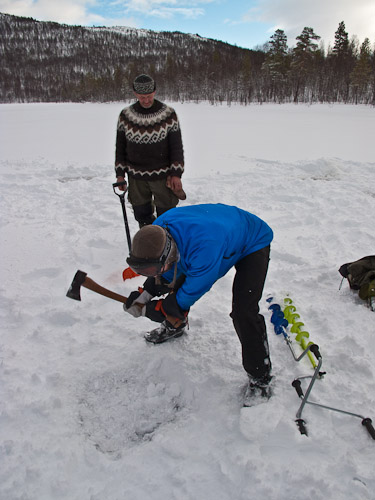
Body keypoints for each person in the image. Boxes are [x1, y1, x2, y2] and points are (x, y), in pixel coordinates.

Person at [123, 203, 274, 404]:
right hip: (216, 229)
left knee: (243, 312)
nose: (150, 274)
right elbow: (166, 273)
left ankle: (260, 378)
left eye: (151, 270)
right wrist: (145, 293)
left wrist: (162, 309)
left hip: (252, 239)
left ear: (168, 252)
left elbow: (186, 295)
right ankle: (174, 326)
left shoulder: (205, 250)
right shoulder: (157, 232)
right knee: (177, 279)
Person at [115, 74, 185, 228]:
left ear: (154, 91)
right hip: (136, 177)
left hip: (163, 176)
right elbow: (120, 147)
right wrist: (120, 174)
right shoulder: (126, 116)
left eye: (148, 96)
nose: (146, 100)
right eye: (141, 97)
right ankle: (149, 245)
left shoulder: (168, 114)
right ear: (135, 94)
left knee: (167, 216)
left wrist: (176, 174)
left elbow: (176, 147)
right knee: (142, 214)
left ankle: (167, 245)